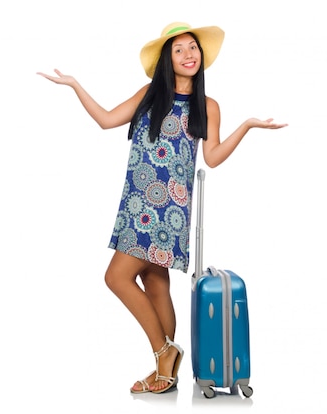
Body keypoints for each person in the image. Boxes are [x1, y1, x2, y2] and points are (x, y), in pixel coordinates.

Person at [37, 22, 287, 394]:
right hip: (136, 201)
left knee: (116, 277)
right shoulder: (151, 95)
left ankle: (164, 353)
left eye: (193, 48)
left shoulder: (208, 106)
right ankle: (165, 374)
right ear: (168, 60)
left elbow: (213, 157)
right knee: (154, 282)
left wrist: (247, 126)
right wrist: (75, 85)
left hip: (167, 209)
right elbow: (107, 119)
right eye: (179, 50)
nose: (189, 55)